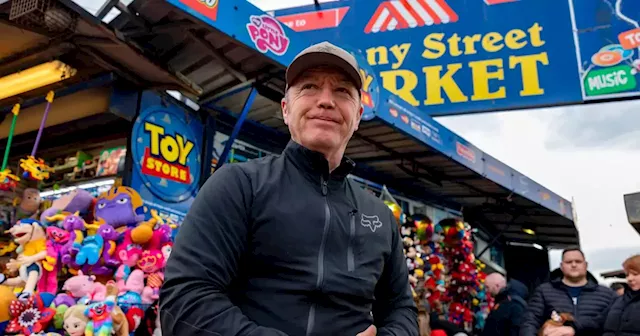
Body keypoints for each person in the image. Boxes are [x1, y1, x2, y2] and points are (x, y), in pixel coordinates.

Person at [160, 41, 418, 336]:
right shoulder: (239, 186)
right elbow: (185, 300)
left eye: (342, 91)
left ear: (357, 116)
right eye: (309, 87)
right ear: (286, 109)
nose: (326, 101)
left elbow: (402, 310)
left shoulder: (380, 217)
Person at [520, 246, 615, 336]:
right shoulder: (544, 291)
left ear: (586, 265)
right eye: (569, 262)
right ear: (561, 266)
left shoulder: (607, 294)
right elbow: (530, 321)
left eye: (578, 261)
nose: (573, 265)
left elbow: (613, 324)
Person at [602, 254, 640, 335]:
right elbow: (597, 321)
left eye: (635, 274)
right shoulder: (618, 300)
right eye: (627, 275)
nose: (629, 279)